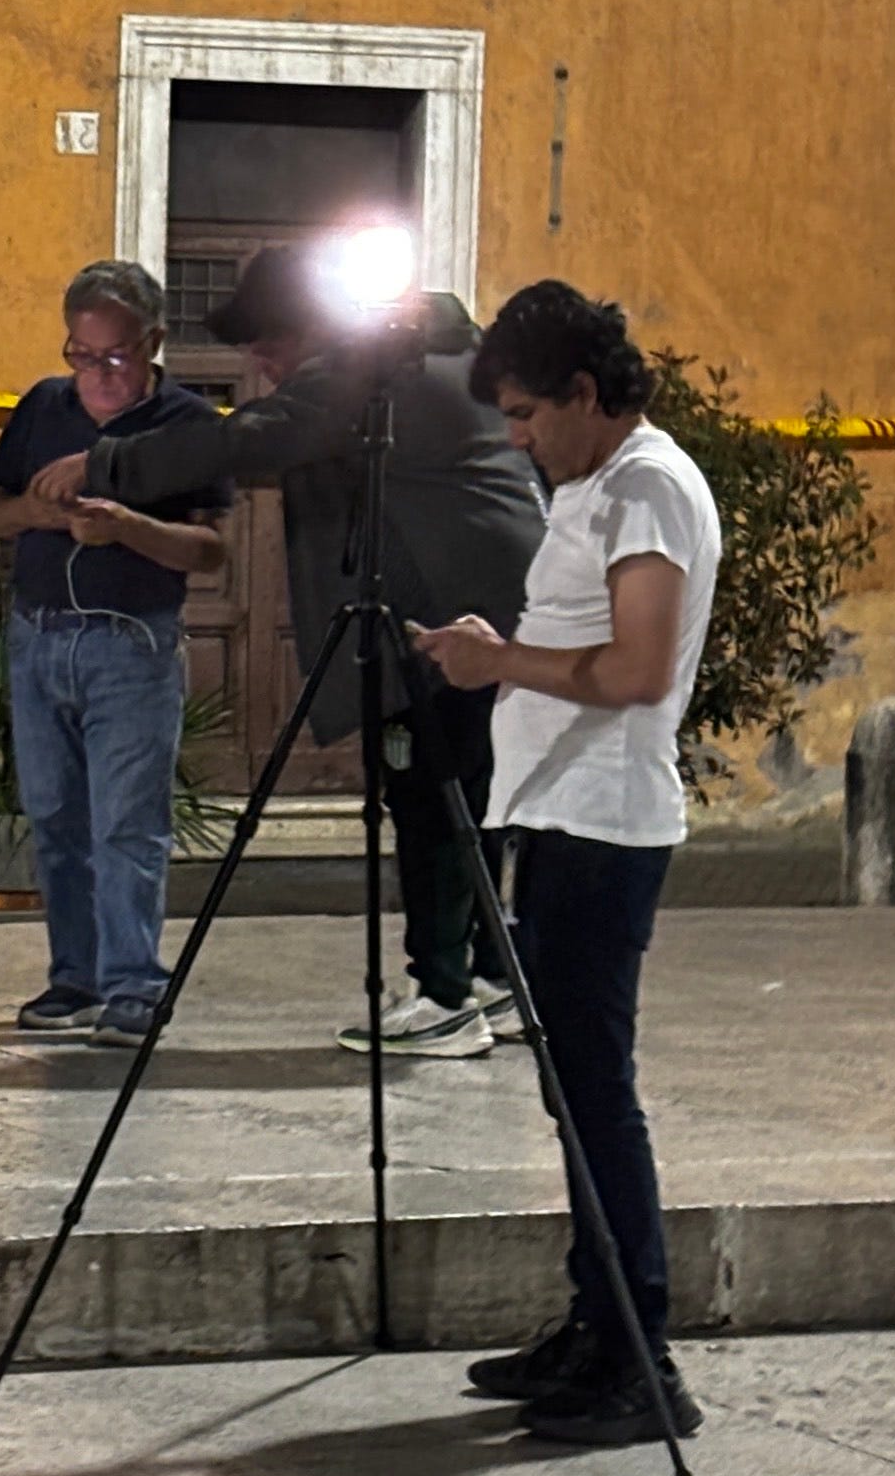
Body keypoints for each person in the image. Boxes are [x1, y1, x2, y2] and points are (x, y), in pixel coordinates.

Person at [36, 244, 542, 1061]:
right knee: (472, 802)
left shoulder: (367, 373)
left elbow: (253, 439)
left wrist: (108, 462)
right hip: (501, 610)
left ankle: (445, 997)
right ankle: (490, 977)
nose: (262, 368)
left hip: (438, 623)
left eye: (269, 348)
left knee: (430, 801)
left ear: (312, 327)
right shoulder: (445, 355)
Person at [415, 279, 722, 1448]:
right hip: (558, 814)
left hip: (605, 824)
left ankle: (640, 1357)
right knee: (570, 1089)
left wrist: (499, 664)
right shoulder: (600, 483)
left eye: (528, 414)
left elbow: (639, 669)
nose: (516, 439)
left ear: (586, 393)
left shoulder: (647, 487)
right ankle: (597, 1326)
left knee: (595, 1091)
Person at [0, 263, 228, 1043]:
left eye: (114, 357)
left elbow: (210, 549)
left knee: (127, 822)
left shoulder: (186, 423)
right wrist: (38, 513)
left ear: (153, 343)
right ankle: (74, 978)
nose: (97, 374)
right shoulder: (43, 407)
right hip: (40, 636)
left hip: (131, 645)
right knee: (54, 817)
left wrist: (127, 528)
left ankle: (133, 985)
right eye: (80, 355)